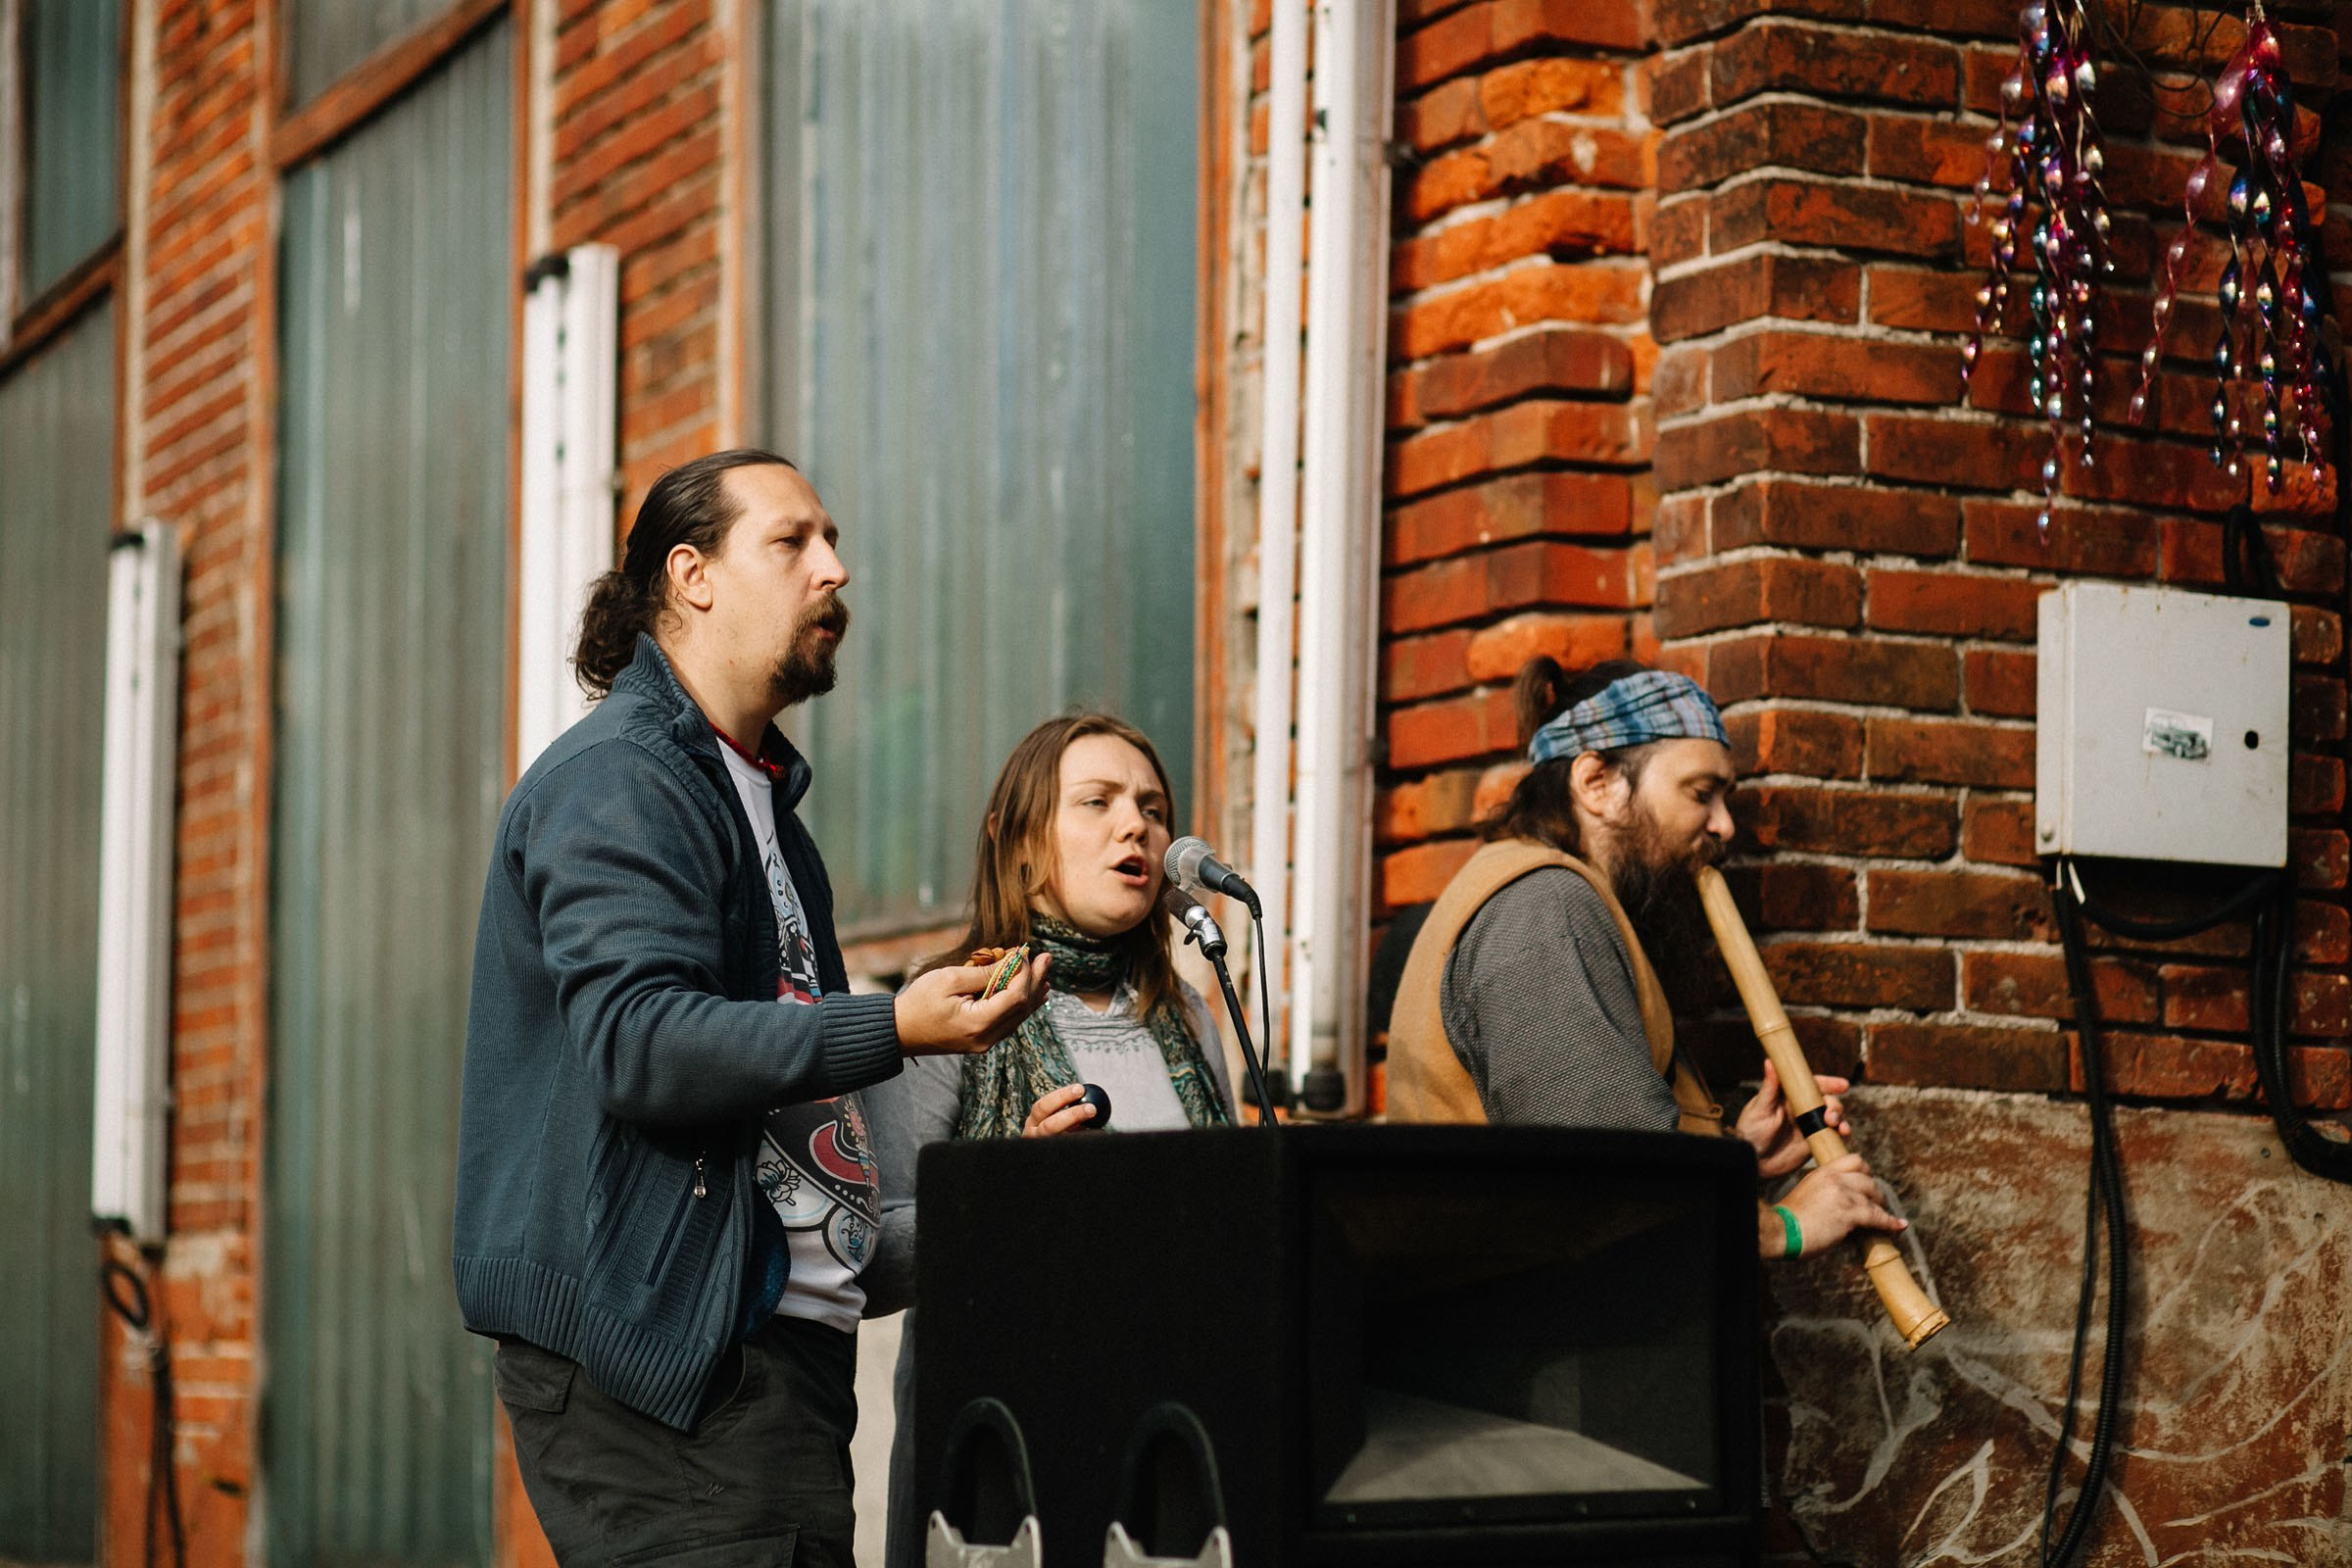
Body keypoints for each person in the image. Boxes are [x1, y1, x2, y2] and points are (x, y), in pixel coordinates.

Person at [452, 449, 1050, 1567]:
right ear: (693, 576)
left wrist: (998, 1186)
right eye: (792, 542)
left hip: (778, 1376)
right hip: (678, 1385)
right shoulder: (620, 778)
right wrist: (895, 1024)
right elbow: (640, 1044)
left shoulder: (766, 805)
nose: (835, 568)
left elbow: (801, 1161)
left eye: (832, 542)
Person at [864, 712, 1237, 1568]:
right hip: (1008, 1452)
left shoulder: (1187, 1014)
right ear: (1020, 840)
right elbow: (873, 1257)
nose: (1135, 826)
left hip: (1172, 1437)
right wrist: (1014, 1191)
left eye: (1152, 807)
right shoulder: (950, 1005)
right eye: (1097, 802)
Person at [1386, 656, 1905, 1264]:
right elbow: (1608, 1179)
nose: (1724, 825)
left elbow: (1586, 1133)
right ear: (1596, 783)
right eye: (1701, 794)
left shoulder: (1551, 895)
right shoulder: (1546, 907)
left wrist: (1734, 1153)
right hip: (1525, 1318)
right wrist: (1784, 1227)